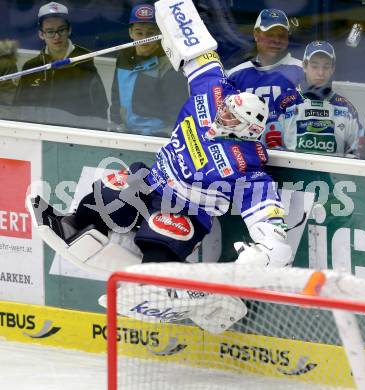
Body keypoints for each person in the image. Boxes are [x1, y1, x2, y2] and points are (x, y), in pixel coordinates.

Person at [29, 2, 293, 274]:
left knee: (160, 244)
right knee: (108, 192)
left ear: (247, 130)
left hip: (184, 208)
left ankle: (161, 283)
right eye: (228, 108)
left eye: (233, 117)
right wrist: (174, 15)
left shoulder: (246, 164)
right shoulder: (213, 96)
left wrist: (270, 247)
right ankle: (73, 223)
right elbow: (199, 53)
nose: (223, 114)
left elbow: (266, 210)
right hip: (152, 182)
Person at [264, 41, 363, 157]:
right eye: (315, 66)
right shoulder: (284, 103)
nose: (320, 73)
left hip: (333, 174)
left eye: (326, 67)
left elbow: (355, 154)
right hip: (292, 174)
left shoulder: (347, 108)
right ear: (305, 66)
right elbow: (271, 151)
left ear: (333, 69)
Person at [14, 2, 108, 123]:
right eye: (50, 31)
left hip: (75, 136)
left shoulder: (84, 61)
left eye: (61, 30)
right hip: (38, 135)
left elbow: (100, 111)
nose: (56, 36)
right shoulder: (32, 66)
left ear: (69, 30)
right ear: (41, 34)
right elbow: (18, 109)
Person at [109, 3, 188, 137]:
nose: (144, 39)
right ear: (131, 33)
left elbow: (176, 112)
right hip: (124, 132)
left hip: (157, 136)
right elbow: (116, 96)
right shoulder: (123, 57)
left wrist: (166, 136)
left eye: (151, 33)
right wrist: (116, 123)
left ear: (160, 33)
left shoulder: (169, 65)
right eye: (139, 33)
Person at [227, 8, 304, 118]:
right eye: (270, 34)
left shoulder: (304, 71)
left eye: (282, 35)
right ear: (256, 35)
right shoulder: (235, 76)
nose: (276, 40)